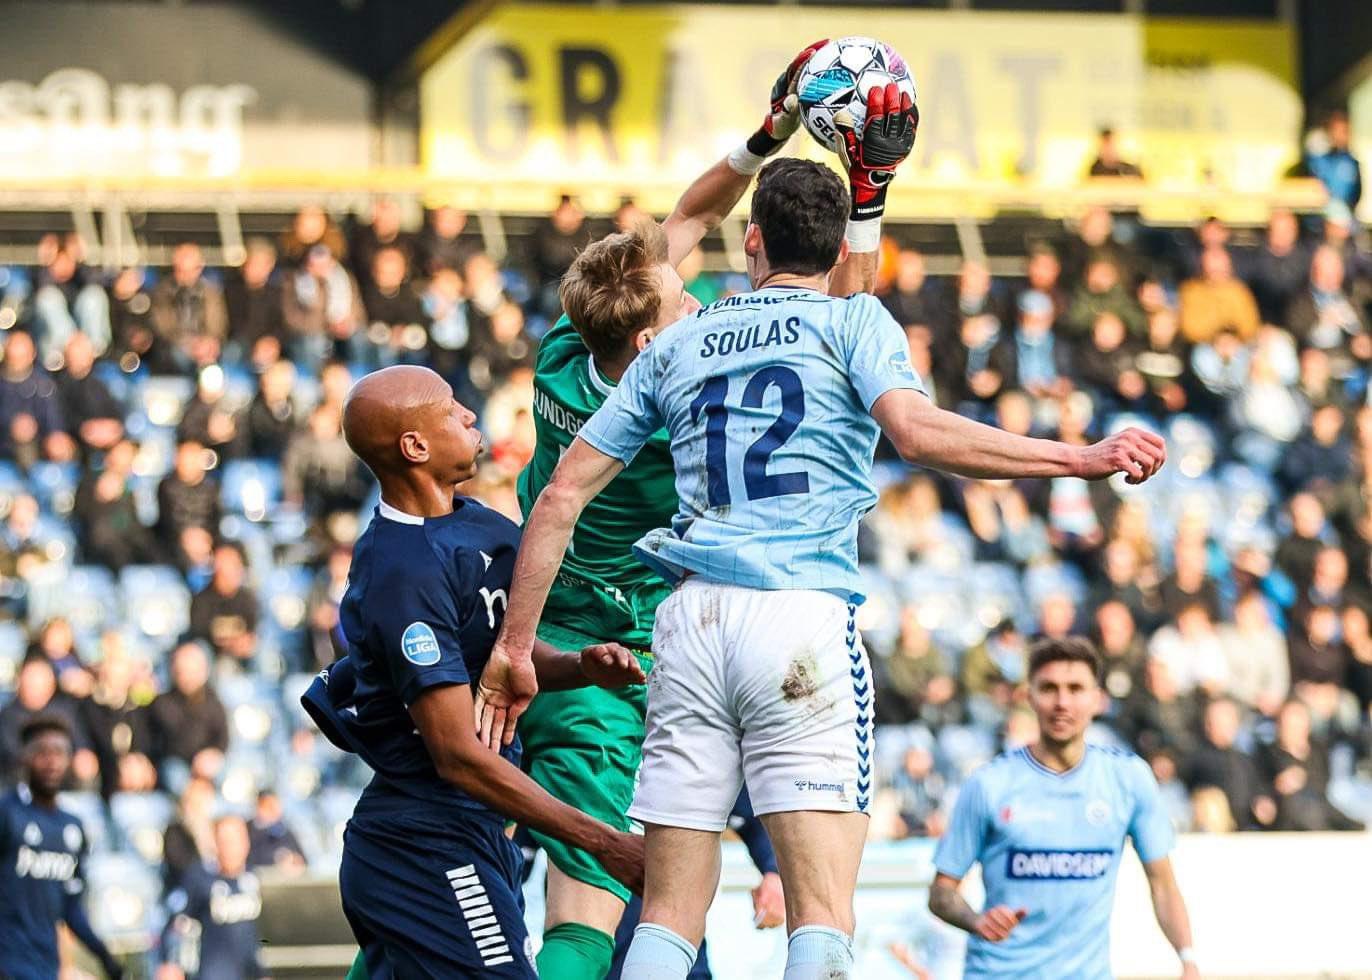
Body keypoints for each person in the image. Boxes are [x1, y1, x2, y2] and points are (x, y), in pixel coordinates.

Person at [481, 151, 1164, 979]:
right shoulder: (851, 321)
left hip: (686, 623)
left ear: (753, 242)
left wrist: (514, 649)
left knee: (666, 914)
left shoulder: (681, 340)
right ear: (840, 252)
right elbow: (917, 434)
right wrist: (1078, 457)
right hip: (797, 619)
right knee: (823, 914)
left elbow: (554, 499)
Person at [494, 39, 892, 980]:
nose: (695, 285)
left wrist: (772, 130)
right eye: (683, 298)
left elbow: (688, 213)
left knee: (668, 905)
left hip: (586, 621)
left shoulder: (571, 337)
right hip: (609, 642)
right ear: (648, 337)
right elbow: (839, 313)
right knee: (589, 909)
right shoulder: (676, 405)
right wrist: (866, 195)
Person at [299, 365, 645, 978]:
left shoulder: (480, 524)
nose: (468, 414)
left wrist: (577, 668)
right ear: (415, 447)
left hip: (463, 832)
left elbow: (499, 658)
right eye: (449, 408)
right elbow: (457, 754)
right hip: (427, 844)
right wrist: (603, 841)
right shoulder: (401, 573)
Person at [929, 639, 1198, 980]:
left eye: (1075, 689)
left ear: (1097, 698)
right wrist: (976, 920)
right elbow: (941, 892)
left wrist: (1188, 959)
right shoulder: (989, 784)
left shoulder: (1127, 779)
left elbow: (1163, 884)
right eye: (1049, 689)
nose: (1062, 702)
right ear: (1029, 697)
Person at [0, 715, 124, 979]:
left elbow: (70, 906)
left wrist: (104, 956)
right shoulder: (7, 814)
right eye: (42, 753)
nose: (51, 762)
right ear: (25, 757)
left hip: (46, 965)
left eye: (59, 753)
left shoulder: (73, 828)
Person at [159, 814, 269, 980]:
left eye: (236, 840)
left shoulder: (253, 880)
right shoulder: (200, 879)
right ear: (216, 843)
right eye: (226, 841)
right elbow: (177, 925)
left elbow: (255, 939)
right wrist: (172, 962)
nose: (232, 847)